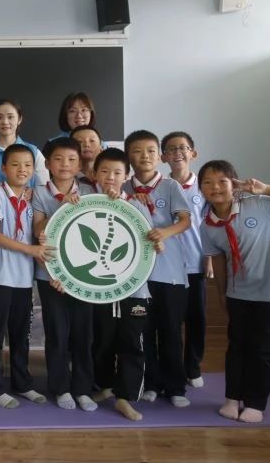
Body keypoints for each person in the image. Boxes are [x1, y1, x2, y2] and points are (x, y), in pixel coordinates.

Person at [199, 161, 270, 423]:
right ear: (201, 188)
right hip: (238, 293)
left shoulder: (258, 205)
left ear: (234, 184)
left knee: (263, 349)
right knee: (237, 347)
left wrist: (266, 189)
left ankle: (255, 403)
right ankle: (232, 398)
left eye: (222, 181)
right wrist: (222, 294)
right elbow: (218, 260)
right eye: (208, 182)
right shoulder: (207, 225)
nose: (215, 187)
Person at [88, 148, 161, 421]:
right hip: (100, 288)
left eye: (117, 172)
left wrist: (158, 243)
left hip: (134, 288)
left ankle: (125, 397)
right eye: (104, 171)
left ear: (127, 176)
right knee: (103, 340)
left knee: (132, 342)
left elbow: (149, 244)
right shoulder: (86, 203)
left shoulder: (137, 205)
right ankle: (106, 385)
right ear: (95, 174)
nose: (110, 177)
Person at [123, 130, 192, 408]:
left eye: (151, 151)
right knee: (144, 331)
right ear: (129, 156)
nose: (145, 156)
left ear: (160, 156)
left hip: (170, 272)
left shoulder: (171, 186)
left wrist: (163, 232)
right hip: (138, 276)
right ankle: (151, 383)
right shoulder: (124, 188)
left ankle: (175, 386)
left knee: (171, 331)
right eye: (138, 151)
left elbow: (185, 220)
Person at [0, 144, 49, 409]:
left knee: (21, 336)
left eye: (28, 165)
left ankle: (22, 383)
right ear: (4, 168)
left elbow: (39, 231)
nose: (22, 170)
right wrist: (30, 249)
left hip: (23, 278)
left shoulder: (34, 199)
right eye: (16, 164)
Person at [32, 137, 97, 411]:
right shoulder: (39, 192)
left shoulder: (90, 191)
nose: (65, 164)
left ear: (79, 164)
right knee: (57, 332)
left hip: (84, 275)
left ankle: (82, 388)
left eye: (71, 159)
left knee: (84, 334)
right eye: (58, 159)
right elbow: (38, 231)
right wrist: (63, 208)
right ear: (48, 164)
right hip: (51, 274)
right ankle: (60, 388)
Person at [161, 131, 211, 388]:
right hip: (167, 266)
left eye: (183, 147)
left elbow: (211, 226)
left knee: (196, 318)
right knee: (170, 321)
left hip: (195, 263)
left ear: (193, 153)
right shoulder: (161, 186)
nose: (177, 152)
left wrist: (209, 258)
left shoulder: (204, 187)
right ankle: (172, 369)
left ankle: (193, 367)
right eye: (171, 149)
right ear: (163, 157)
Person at [0, 99, 47, 186]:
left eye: (10, 117)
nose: (5, 122)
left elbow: (44, 186)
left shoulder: (34, 152)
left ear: (19, 119)